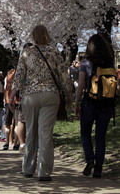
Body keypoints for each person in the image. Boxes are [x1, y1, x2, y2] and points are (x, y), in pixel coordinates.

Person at [12, 25, 72, 182]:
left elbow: (19, 76)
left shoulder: (26, 52)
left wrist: (13, 93)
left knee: (31, 131)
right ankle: (44, 172)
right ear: (47, 35)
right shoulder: (54, 52)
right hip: (50, 94)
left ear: (32, 36)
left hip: (30, 95)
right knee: (45, 133)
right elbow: (64, 77)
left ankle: (27, 168)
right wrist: (69, 96)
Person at [75, 34, 116, 178]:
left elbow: (80, 86)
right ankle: (98, 169)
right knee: (101, 137)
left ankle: (90, 159)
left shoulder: (86, 63)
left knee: (85, 133)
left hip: (90, 102)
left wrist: (76, 104)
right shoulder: (110, 63)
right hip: (107, 104)